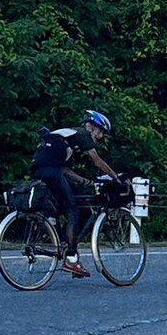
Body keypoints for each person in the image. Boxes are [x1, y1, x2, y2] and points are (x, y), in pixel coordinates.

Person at [31, 109, 120, 278]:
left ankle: (59, 241)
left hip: (39, 170)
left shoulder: (66, 137)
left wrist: (84, 181)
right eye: (100, 131)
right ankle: (71, 259)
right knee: (73, 209)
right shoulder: (82, 133)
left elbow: (64, 170)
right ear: (90, 126)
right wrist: (115, 177)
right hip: (52, 171)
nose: (100, 136)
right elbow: (96, 160)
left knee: (60, 205)